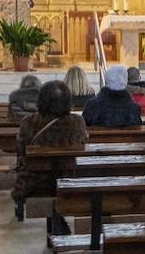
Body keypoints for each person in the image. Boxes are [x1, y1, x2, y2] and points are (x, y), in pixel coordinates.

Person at [12, 81, 88, 226]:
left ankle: (55, 220)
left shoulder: (29, 122)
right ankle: (58, 220)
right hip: (70, 179)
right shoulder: (77, 122)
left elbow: (21, 151)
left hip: (36, 183)